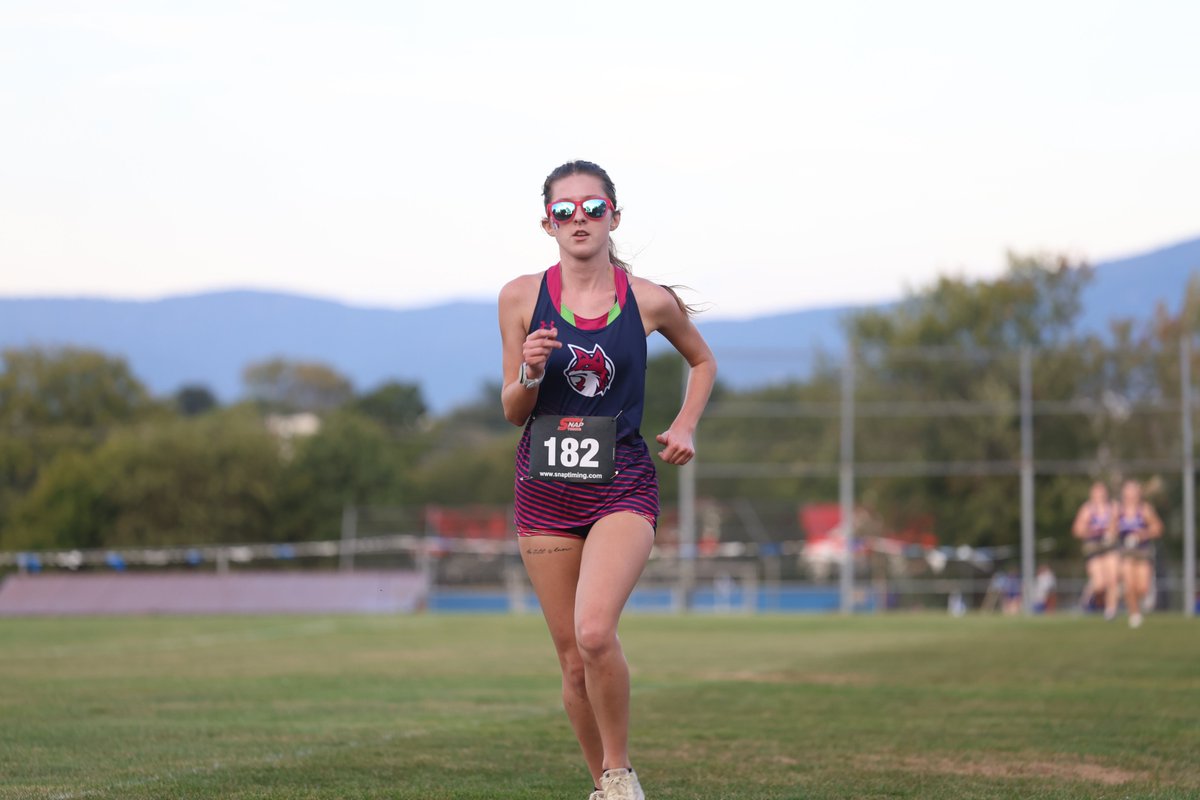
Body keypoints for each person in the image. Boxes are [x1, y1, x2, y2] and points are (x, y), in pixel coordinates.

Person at [498, 160, 717, 800]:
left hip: (621, 484)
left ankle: (621, 775)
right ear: (547, 224)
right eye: (563, 210)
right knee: (571, 658)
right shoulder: (519, 297)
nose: (579, 219)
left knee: (596, 632)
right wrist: (533, 373)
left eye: (592, 207)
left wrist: (685, 424)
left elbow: (701, 361)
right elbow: (513, 410)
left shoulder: (648, 299)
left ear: (613, 217)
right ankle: (603, 788)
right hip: (543, 490)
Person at [1112, 480, 1163, 629]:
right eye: (1129, 491)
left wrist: (1142, 535)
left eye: (1134, 491)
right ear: (1124, 493)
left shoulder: (1145, 509)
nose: (1132, 495)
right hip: (1126, 553)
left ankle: (1144, 597)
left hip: (1143, 553)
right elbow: (1111, 529)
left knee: (1142, 587)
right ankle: (1134, 614)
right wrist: (1113, 531)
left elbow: (1158, 528)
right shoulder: (1118, 510)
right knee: (1129, 585)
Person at [1071, 481, 1120, 619]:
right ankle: (1096, 603)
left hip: (1110, 548)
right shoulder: (1087, 509)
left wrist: (1111, 532)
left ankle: (1111, 611)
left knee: (1113, 578)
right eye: (1097, 493)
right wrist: (1093, 532)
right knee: (1099, 584)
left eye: (1102, 492)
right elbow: (1077, 530)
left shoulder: (1113, 507)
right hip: (1093, 548)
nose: (1100, 495)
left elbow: (1119, 525)